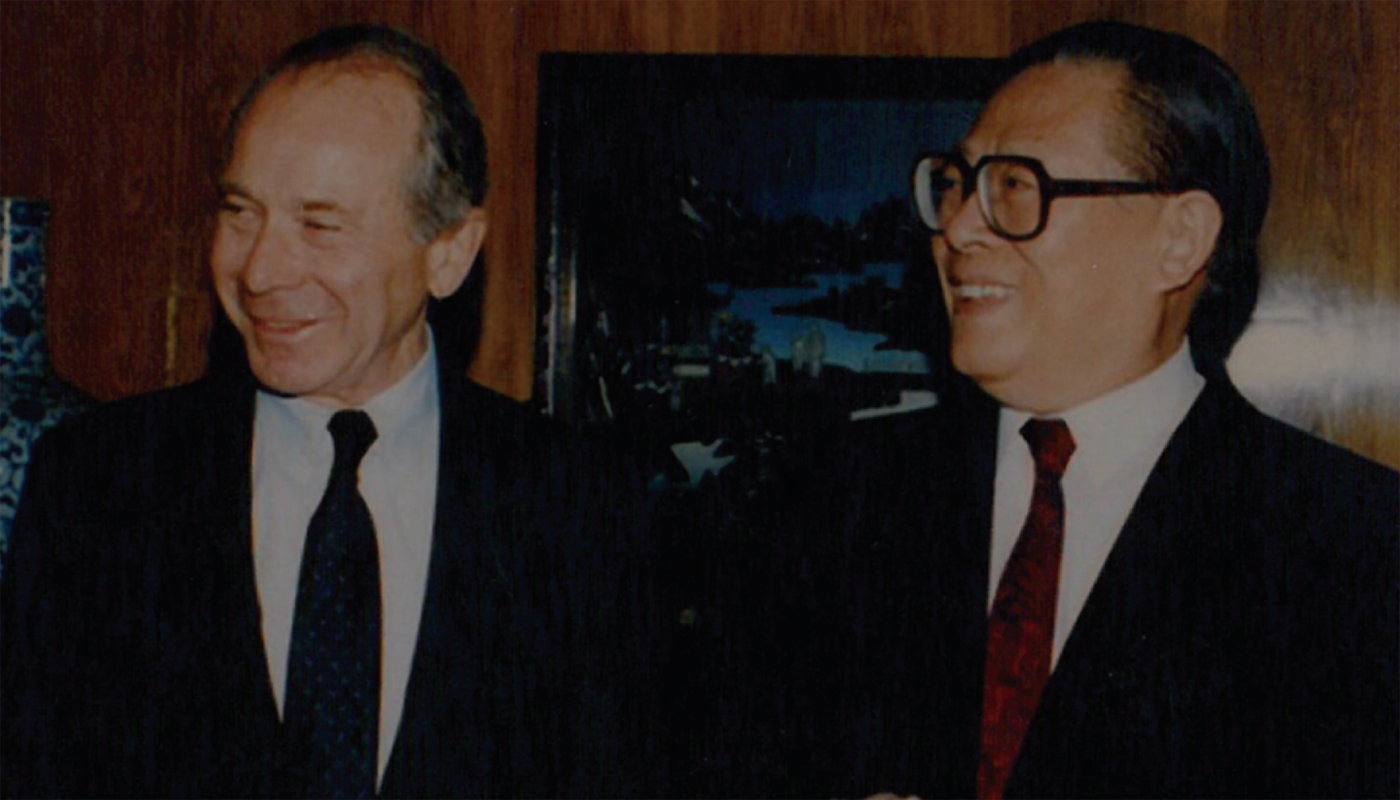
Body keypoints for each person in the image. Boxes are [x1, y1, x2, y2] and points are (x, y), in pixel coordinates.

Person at [738, 20, 1397, 799]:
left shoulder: (1357, 549)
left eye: (1015, 186)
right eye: (956, 183)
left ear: (1180, 239)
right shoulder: (827, 497)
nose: (958, 227)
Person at [1, 24, 663, 798]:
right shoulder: (98, 482)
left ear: (449, 253)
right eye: (241, 211)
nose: (259, 269)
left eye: (319, 225)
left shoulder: (580, 507)